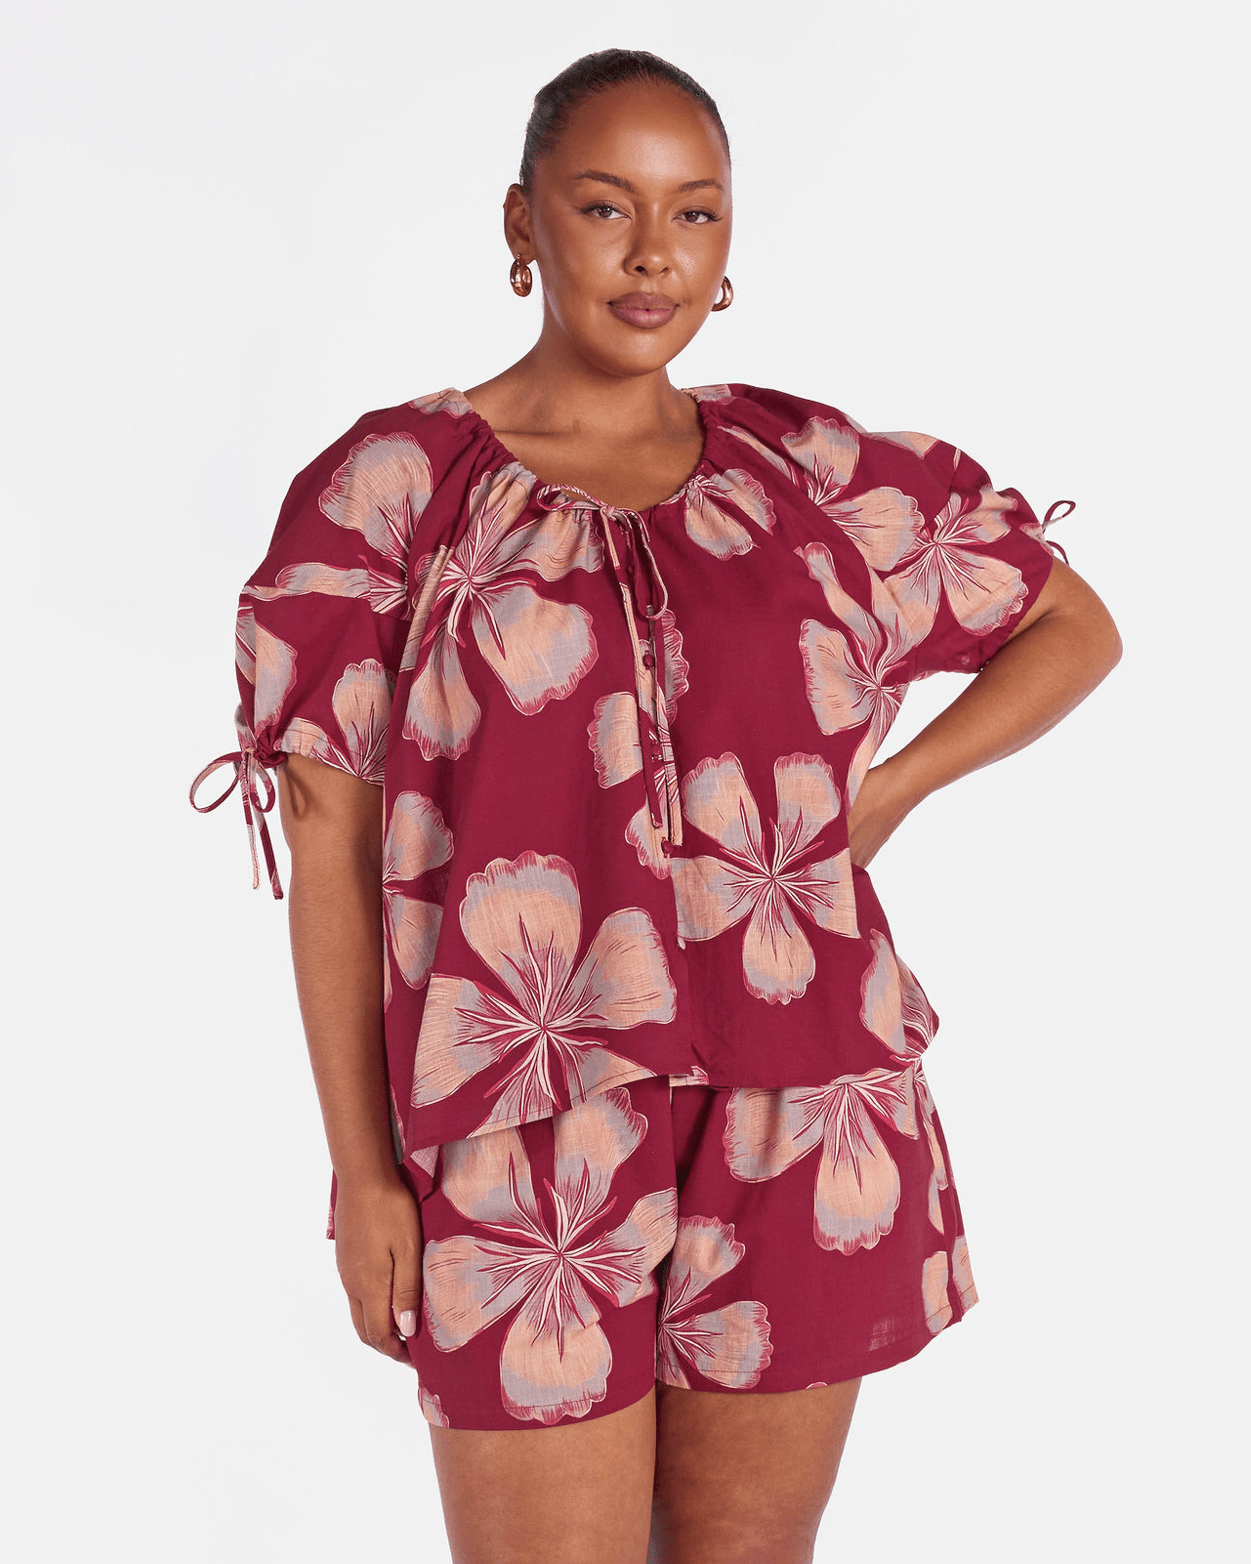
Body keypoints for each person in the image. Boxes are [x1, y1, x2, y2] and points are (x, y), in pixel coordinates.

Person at [190, 47, 1121, 1564]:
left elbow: (1070, 624)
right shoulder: (394, 492)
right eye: (605, 205)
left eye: (694, 213)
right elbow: (331, 845)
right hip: (519, 1132)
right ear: (523, 223)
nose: (651, 255)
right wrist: (362, 1170)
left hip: (800, 1108)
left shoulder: (803, 473)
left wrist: (882, 796)